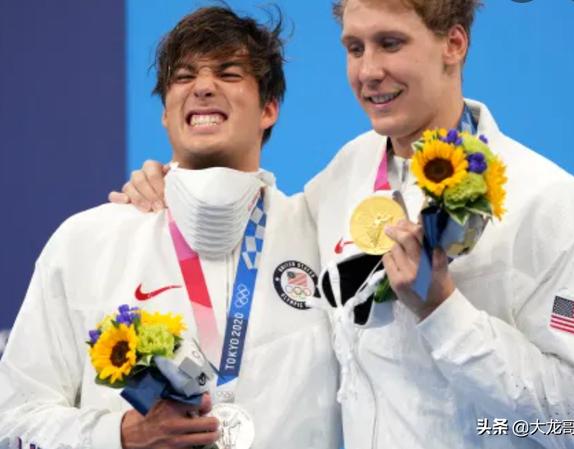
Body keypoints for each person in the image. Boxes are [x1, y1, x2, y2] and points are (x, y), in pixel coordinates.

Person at [112, 1, 574, 448]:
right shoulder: (348, 172)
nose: (368, 71)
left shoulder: (549, 202)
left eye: (390, 43)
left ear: (454, 44)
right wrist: (172, 184)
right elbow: (259, 226)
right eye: (354, 47)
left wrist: (442, 310)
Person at [0, 6, 340, 449]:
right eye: (183, 76)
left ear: (269, 109)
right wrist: (118, 435)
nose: (203, 86)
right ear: (165, 112)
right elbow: (12, 420)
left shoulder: (318, 232)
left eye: (229, 73)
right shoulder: (86, 241)